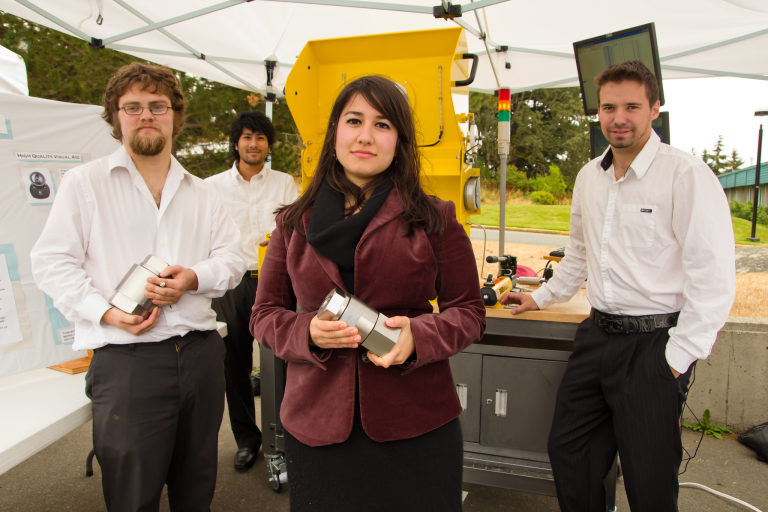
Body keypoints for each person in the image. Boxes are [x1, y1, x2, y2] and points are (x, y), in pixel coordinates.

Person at [502, 60, 736, 512]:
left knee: (648, 479)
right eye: (609, 107)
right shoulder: (590, 176)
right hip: (597, 337)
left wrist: (676, 358)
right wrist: (540, 297)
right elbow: (579, 254)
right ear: (599, 113)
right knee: (571, 454)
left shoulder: (685, 175)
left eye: (632, 106)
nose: (619, 117)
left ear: (655, 108)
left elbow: (714, 278)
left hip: (653, 345)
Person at [250, 75, 486, 511]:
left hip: (415, 424)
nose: (365, 136)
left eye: (382, 125)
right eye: (354, 120)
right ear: (335, 132)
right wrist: (307, 334)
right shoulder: (292, 224)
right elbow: (263, 314)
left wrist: (420, 335)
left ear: (400, 140)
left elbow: (469, 312)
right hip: (319, 426)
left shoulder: (434, 218)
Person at [30, 62, 246, 512]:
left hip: (200, 353)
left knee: (197, 484)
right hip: (126, 360)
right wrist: (105, 312)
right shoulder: (84, 184)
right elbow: (51, 262)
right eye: (132, 107)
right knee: (132, 493)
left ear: (174, 116)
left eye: (157, 106)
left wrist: (192, 277)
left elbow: (233, 260)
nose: (145, 115)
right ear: (115, 116)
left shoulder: (204, 193)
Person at [205, 110, 298, 470]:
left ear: (268, 145)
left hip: (276, 281)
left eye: (260, 138)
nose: (253, 144)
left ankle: (288, 436)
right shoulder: (211, 187)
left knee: (284, 361)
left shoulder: (284, 183)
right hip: (231, 283)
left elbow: (294, 229)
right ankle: (247, 440)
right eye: (247, 137)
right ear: (236, 143)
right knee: (235, 366)